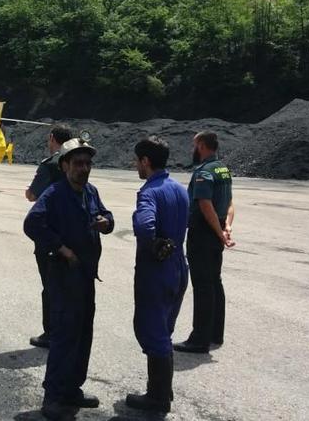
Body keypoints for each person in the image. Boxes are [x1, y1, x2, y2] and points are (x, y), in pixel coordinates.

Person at [23, 138, 114, 420]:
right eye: (78, 163)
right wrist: (61, 248)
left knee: (83, 333)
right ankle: (53, 396)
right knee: (64, 335)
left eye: (87, 163)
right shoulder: (54, 194)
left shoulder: (90, 191)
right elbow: (31, 223)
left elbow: (108, 216)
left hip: (86, 275)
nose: (84, 168)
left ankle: (73, 389)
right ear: (64, 166)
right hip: (63, 276)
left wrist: (106, 222)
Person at [125, 137, 189, 413]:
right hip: (178, 267)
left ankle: (158, 397)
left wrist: (152, 243)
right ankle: (162, 391)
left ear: (145, 162)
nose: (135, 165)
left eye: (137, 160)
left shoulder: (149, 192)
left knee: (152, 331)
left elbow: (144, 223)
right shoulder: (179, 189)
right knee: (165, 329)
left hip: (157, 271)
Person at [174, 131, 235, 354]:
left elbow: (204, 204)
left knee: (202, 285)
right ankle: (215, 333)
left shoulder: (204, 171)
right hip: (216, 230)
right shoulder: (222, 168)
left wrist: (219, 232)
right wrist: (227, 227)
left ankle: (199, 339)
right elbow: (230, 202)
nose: (193, 149)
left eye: (194, 145)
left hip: (204, 233)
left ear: (201, 145)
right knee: (214, 281)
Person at [25, 124, 72, 349]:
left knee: (50, 284)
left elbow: (33, 194)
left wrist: (29, 191)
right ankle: (68, 328)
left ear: (52, 138)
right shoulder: (76, 161)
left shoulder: (50, 164)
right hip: (72, 233)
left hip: (50, 234)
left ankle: (51, 332)